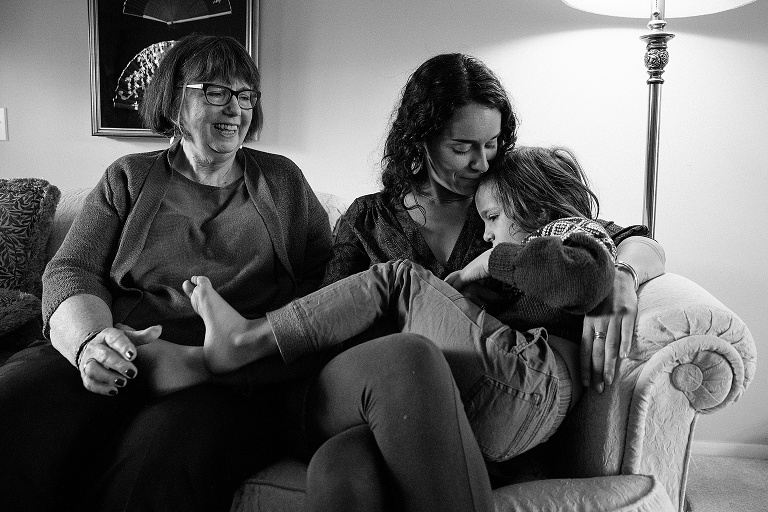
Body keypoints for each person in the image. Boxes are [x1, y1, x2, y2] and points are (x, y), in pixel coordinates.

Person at [0, 35, 492, 512]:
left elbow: (320, 295)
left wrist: (209, 360)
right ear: (174, 103)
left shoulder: (282, 182)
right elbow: (71, 270)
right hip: (114, 345)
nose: (234, 108)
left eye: (244, 95)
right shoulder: (128, 177)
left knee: (160, 459)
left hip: (225, 378)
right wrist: (90, 342)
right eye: (215, 92)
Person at [181, 144, 621, 463]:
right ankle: (232, 362)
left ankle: (246, 337)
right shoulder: (370, 215)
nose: (487, 233)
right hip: (508, 408)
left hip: (531, 382)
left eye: (492, 217)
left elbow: (589, 276)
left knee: (399, 277)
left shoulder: (571, 231)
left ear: (532, 202)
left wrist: (485, 265)